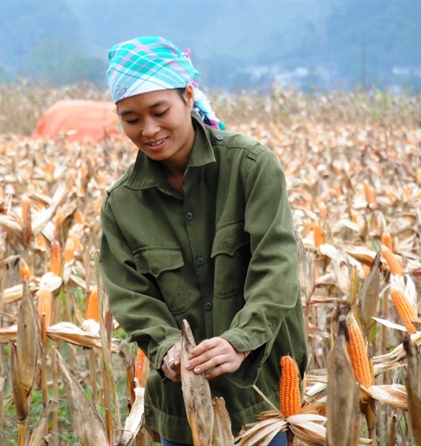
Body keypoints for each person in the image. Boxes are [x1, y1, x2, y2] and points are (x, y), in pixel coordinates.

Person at [99, 36, 308, 445]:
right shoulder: (122, 204)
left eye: (160, 111)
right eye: (131, 118)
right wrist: (167, 349)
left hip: (262, 396)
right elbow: (130, 296)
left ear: (189, 95)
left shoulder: (251, 167)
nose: (149, 130)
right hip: (181, 408)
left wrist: (240, 342)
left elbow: (277, 267)